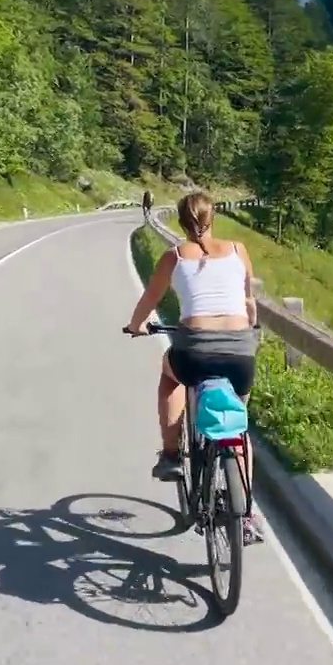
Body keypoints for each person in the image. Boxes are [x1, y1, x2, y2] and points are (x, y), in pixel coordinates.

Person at [125, 189, 259, 499]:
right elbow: (249, 302)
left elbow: (149, 300)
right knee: (238, 424)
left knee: (169, 377)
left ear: (182, 222)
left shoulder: (174, 256)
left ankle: (171, 455)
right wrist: (249, 331)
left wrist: (135, 326)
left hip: (195, 352)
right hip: (240, 351)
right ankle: (246, 514)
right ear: (213, 217)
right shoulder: (239, 250)